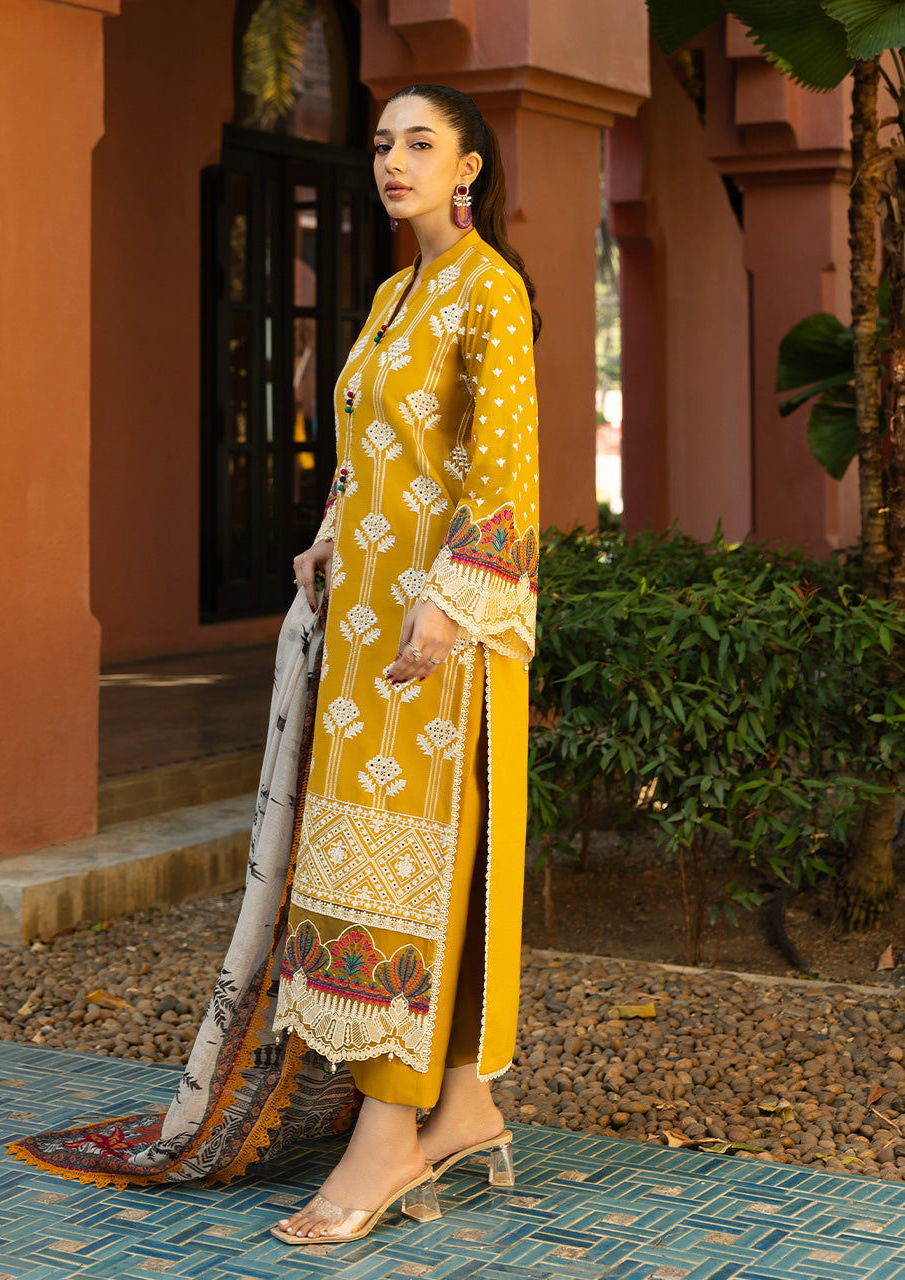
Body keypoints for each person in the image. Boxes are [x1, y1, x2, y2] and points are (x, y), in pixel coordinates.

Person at [271, 81, 540, 1244]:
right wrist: (330, 534)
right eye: (383, 142)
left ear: (468, 166)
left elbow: (504, 467)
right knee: (368, 862)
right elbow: (370, 449)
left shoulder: (491, 287)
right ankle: (463, 1103)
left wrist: (453, 599)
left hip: (442, 631)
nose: (395, 160)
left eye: (421, 143)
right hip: (366, 624)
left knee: (420, 862)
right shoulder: (392, 295)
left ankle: (387, 1135)